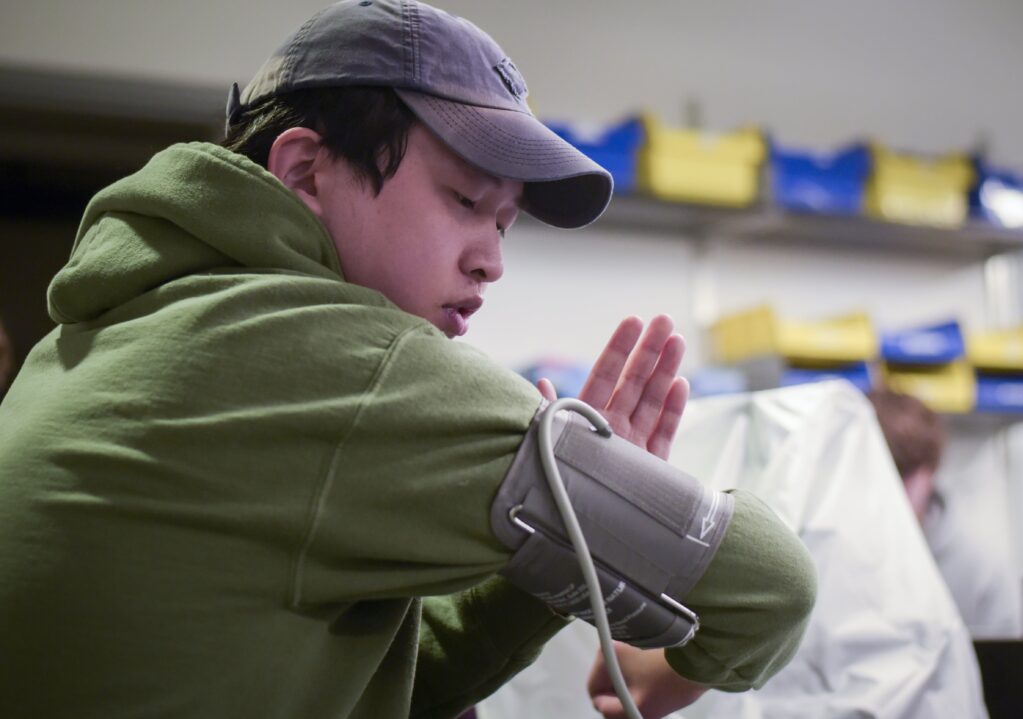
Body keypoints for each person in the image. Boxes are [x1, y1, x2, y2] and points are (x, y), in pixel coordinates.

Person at [0, 2, 816, 718]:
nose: (492, 261)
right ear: (306, 171)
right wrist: (662, 660)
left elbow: (377, 685)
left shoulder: (103, 332)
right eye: (465, 200)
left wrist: (568, 551)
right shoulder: (335, 356)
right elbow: (770, 588)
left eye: (504, 225)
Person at [868, 389, 1022, 637]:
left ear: (930, 470)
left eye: (900, 472)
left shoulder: (982, 573)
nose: (887, 492)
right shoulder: (826, 560)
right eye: (873, 474)